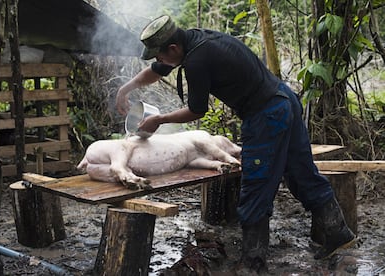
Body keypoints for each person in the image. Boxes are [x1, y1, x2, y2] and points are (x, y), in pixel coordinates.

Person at [115, 15, 356, 273]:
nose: (159, 62)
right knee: (301, 172)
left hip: (266, 115)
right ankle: (338, 234)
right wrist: (125, 89)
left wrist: (159, 119)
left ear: (172, 49)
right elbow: (157, 70)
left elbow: (197, 110)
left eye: (160, 56)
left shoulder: (197, 59)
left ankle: (253, 263)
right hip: (284, 98)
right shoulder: (191, 39)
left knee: (256, 186)